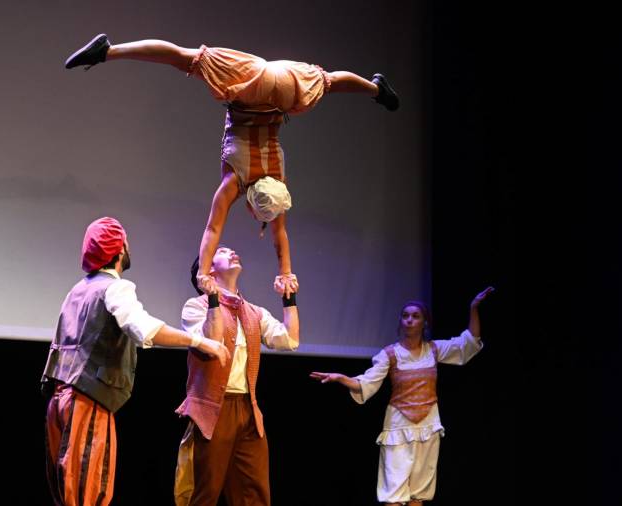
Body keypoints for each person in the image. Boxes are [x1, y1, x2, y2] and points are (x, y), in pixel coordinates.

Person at [63, 34, 400, 297]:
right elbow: (213, 229)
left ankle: (375, 89)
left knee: (328, 83)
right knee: (184, 60)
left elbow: (280, 235)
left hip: (283, 82)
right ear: (253, 205)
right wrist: (203, 272)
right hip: (251, 88)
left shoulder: (278, 179)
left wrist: (285, 271)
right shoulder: (237, 182)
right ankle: (108, 50)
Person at [40, 216, 230, 506]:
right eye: (126, 243)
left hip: (59, 401)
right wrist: (201, 341)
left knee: (68, 496)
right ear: (118, 251)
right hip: (86, 401)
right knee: (88, 493)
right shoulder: (115, 287)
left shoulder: (77, 290)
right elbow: (143, 328)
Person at [310, 287, 494, 505]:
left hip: (428, 425)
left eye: (415, 316)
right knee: (394, 492)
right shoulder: (390, 354)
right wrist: (341, 378)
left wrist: (473, 308)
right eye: (405, 315)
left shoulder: (434, 350)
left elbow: (469, 343)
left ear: (424, 323)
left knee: (419, 493)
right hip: (398, 425)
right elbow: (366, 382)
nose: (409, 320)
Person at [173, 246, 301, 505]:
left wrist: (289, 299)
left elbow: (290, 340)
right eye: (221, 250)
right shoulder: (194, 307)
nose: (232, 251)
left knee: (253, 493)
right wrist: (212, 299)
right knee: (204, 492)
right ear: (207, 270)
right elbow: (212, 341)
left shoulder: (254, 312)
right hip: (213, 410)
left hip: (247, 409)